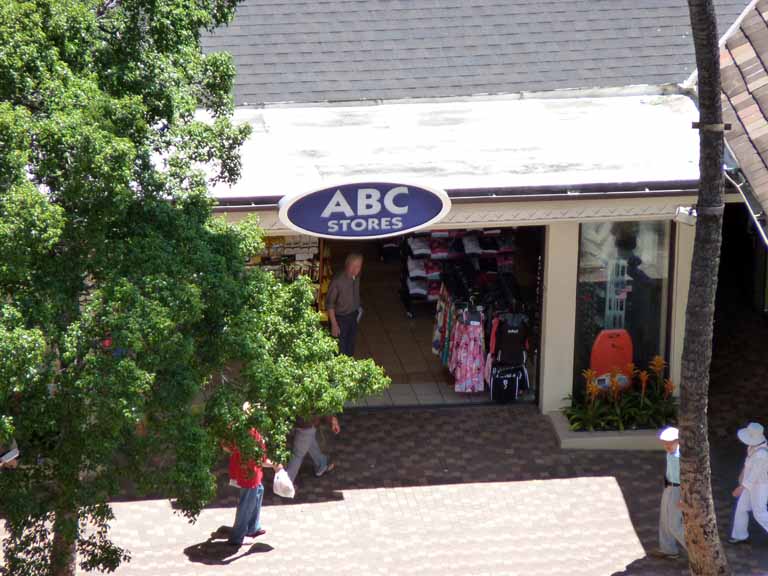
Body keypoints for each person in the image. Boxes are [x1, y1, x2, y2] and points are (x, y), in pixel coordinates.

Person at [224, 427, 282, 547]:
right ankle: (237, 537)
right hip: (250, 475)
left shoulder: (237, 427)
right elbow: (260, 459)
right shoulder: (251, 434)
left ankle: (253, 527)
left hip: (247, 471)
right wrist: (275, 465)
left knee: (259, 491)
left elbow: (225, 446)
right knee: (246, 504)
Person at [729, 421, 768, 544]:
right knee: (741, 508)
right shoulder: (753, 448)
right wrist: (742, 475)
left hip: (760, 486)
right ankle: (740, 535)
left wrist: (740, 488)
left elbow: (754, 475)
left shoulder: (762, 454)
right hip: (749, 484)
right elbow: (748, 466)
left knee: (759, 512)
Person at [653, 426, 686, 559]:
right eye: (665, 442)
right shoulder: (669, 453)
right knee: (665, 520)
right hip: (669, 488)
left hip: (678, 490)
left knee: (674, 524)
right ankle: (668, 549)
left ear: (677, 441)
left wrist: (683, 499)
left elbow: (685, 480)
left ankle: (696, 552)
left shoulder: (680, 457)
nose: (667, 445)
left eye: (670, 442)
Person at [326, 253, 363, 357]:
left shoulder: (356, 277)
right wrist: (334, 324)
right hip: (340, 319)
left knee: (350, 347)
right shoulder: (338, 281)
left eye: (359, 266)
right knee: (339, 350)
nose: (356, 269)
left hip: (353, 316)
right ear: (347, 264)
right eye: (353, 265)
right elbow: (330, 304)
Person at [285, 415, 341, 483]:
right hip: (306, 423)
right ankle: (286, 485)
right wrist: (332, 420)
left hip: (297, 420)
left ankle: (321, 463)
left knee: (308, 439)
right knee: (298, 454)